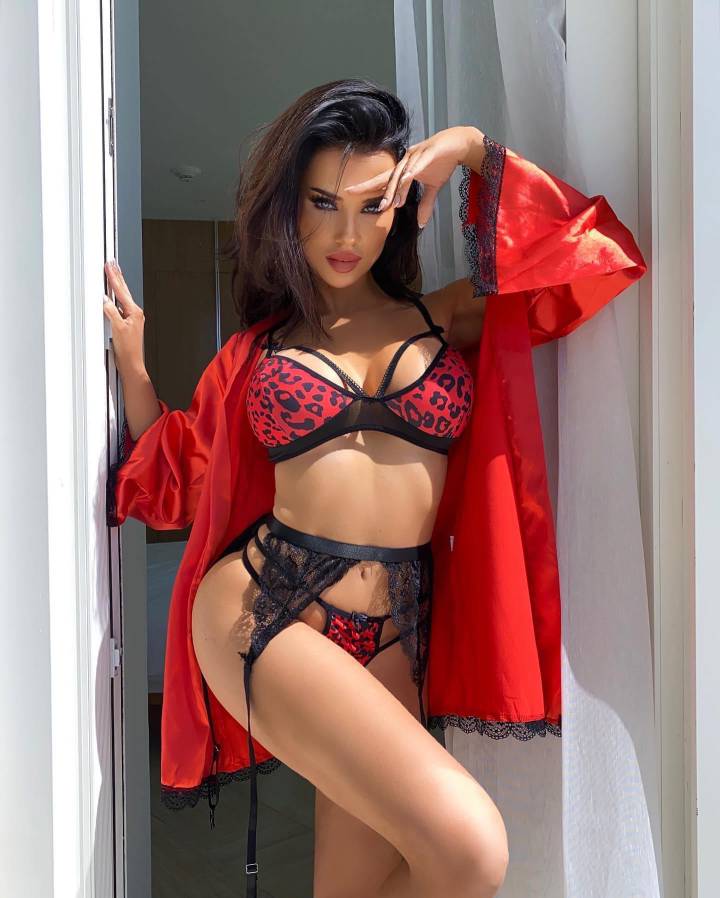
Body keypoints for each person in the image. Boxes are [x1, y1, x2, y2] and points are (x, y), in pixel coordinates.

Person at [104, 79, 647, 898]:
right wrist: (136, 371)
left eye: (371, 205)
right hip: (265, 604)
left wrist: (470, 149)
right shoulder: (257, 353)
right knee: (470, 849)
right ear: (290, 207)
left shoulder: (445, 318)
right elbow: (179, 479)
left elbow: (598, 254)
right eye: (323, 203)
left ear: (401, 207)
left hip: (396, 629)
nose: (345, 234)